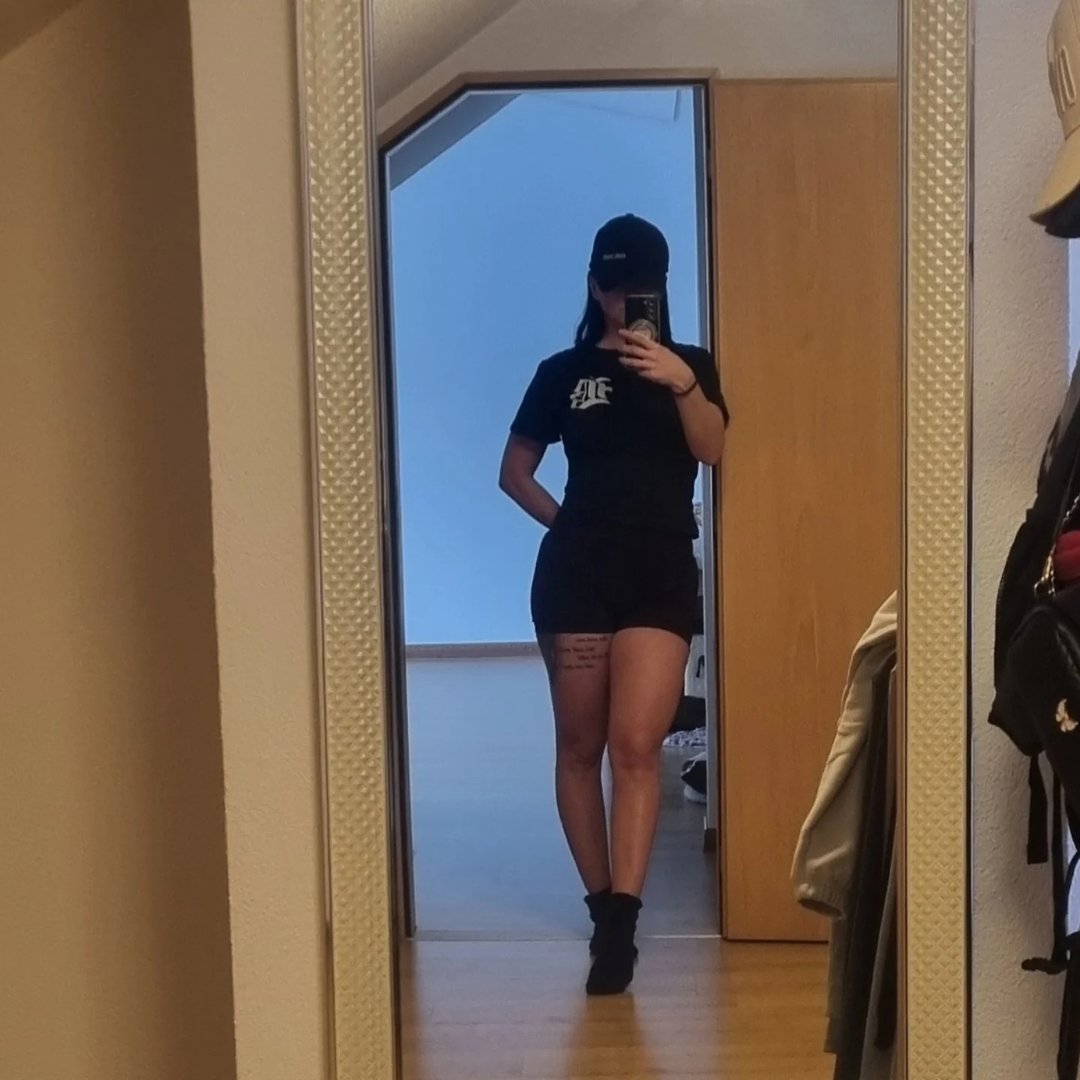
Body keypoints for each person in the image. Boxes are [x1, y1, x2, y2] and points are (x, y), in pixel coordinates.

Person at [498, 214, 729, 995]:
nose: (629, 299)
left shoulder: (691, 366)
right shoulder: (562, 372)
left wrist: (681, 381)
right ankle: (601, 907)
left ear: (661, 288)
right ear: (596, 287)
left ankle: (623, 926)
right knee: (578, 747)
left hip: (659, 573)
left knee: (636, 745)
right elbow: (515, 471)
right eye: (617, 286)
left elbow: (712, 448)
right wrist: (570, 526)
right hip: (576, 576)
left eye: (644, 286)